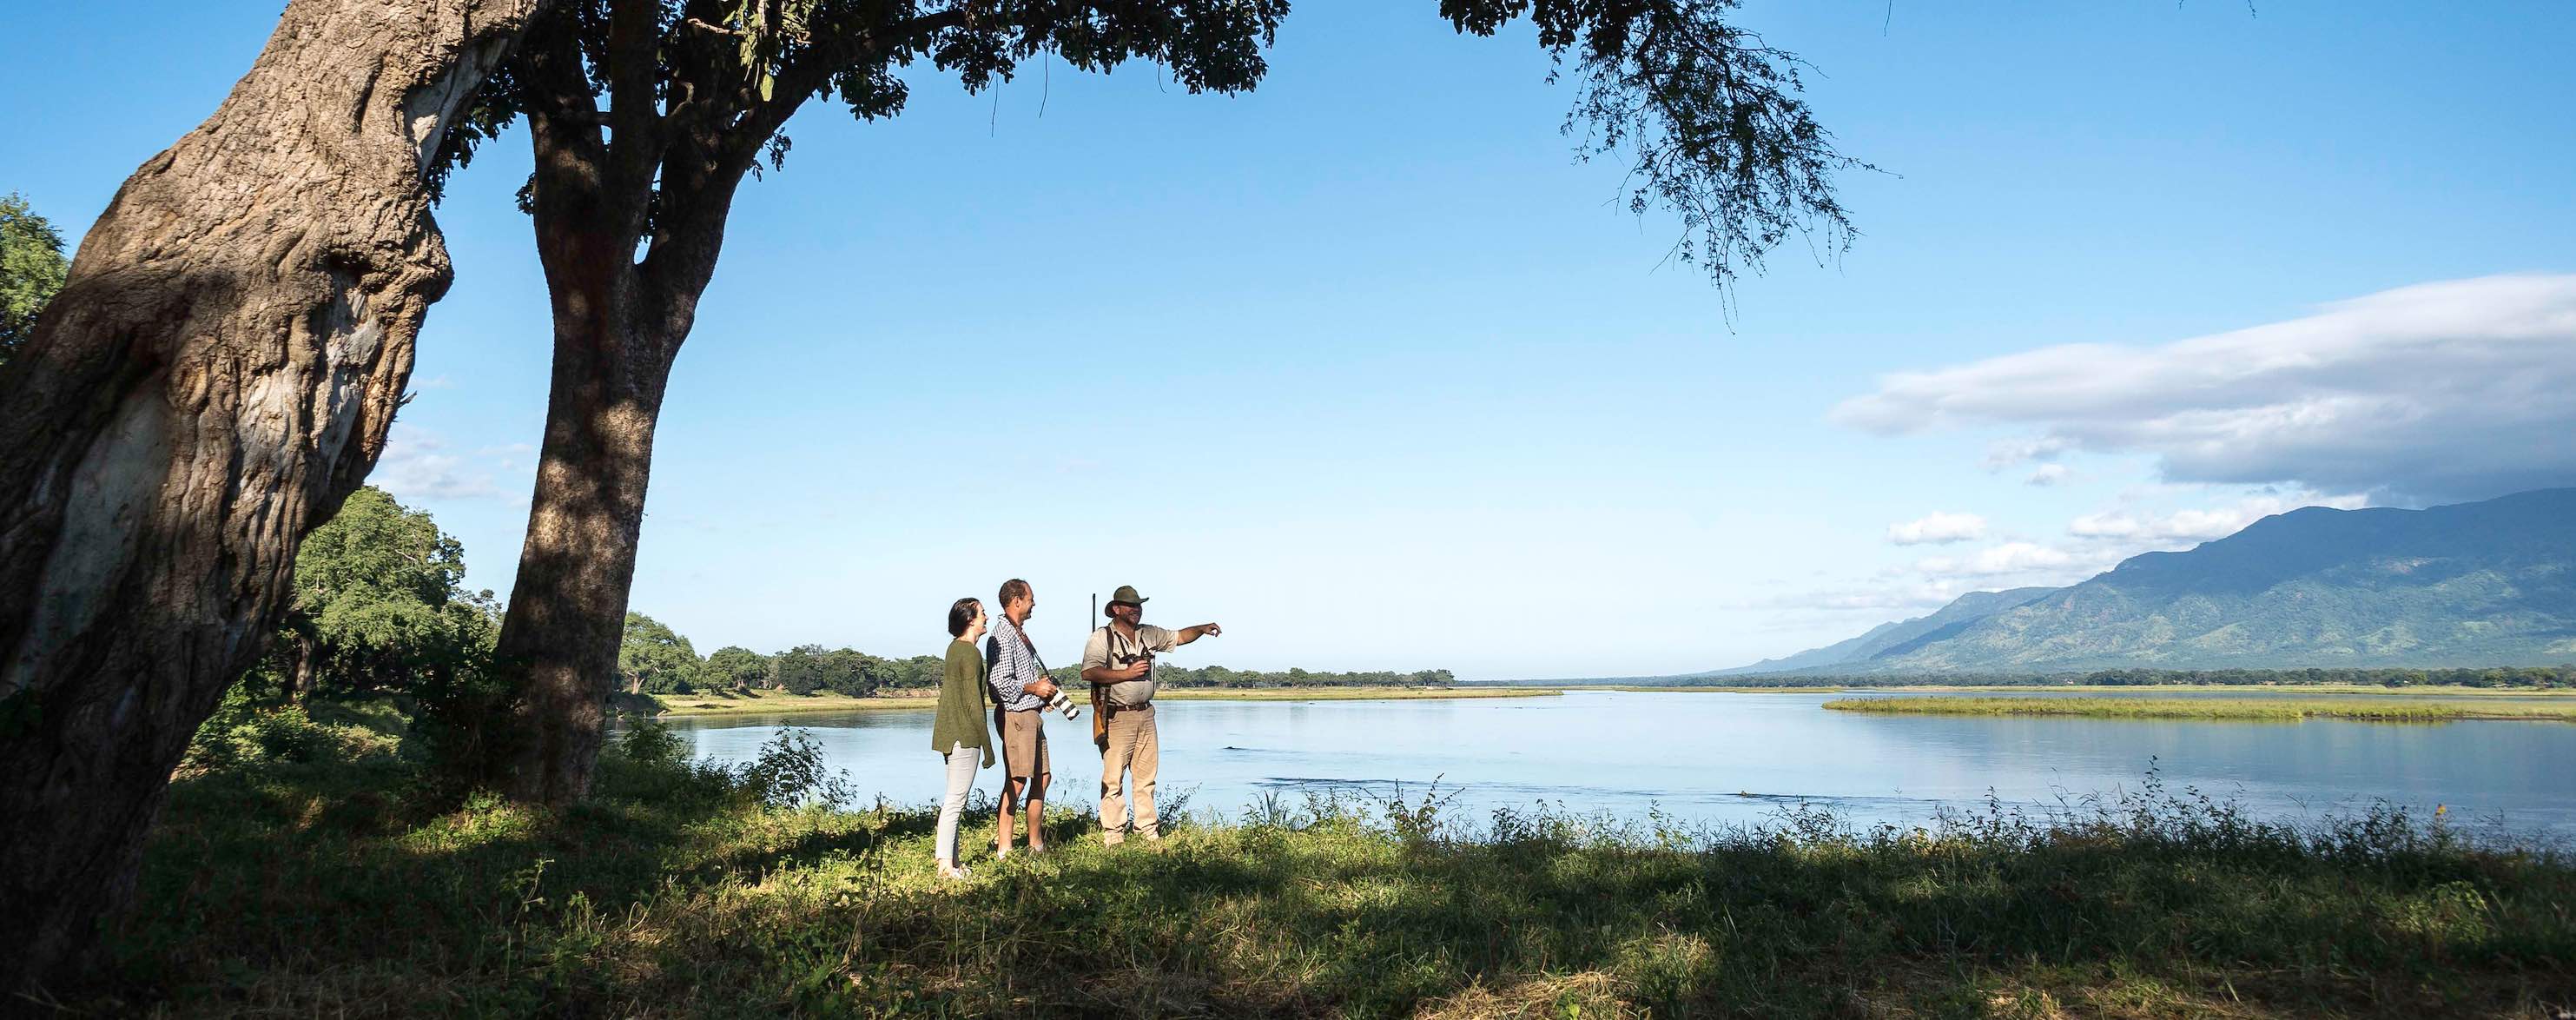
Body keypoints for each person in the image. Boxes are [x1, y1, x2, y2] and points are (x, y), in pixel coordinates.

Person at [1080, 585, 1220, 846]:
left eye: (1138, 605)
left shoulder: (1149, 633)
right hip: (1116, 716)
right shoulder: (1102, 638)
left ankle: (1147, 830)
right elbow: (1089, 672)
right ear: (1116, 609)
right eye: (1130, 605)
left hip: (1145, 714)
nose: (1136, 610)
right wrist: (1126, 674)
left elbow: (1179, 637)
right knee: (1113, 778)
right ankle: (1114, 834)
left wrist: (1202, 629)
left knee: (1146, 777)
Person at [984, 578, 1061, 858]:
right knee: (1017, 780)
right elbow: (999, 683)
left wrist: (1043, 694)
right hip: (1016, 715)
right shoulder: (1003, 635)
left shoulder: (1018, 632)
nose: (1033, 604)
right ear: (1016, 601)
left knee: (1043, 777)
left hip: (1031, 713)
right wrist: (1034, 689)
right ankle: (1004, 848)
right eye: (1030, 599)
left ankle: (1036, 845)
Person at [930, 596, 994, 880]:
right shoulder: (970, 653)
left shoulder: (953, 648)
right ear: (970, 620)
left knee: (954, 798)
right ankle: (945, 865)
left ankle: (953, 861)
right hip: (965, 735)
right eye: (982, 613)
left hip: (949, 733)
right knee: (955, 801)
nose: (986, 618)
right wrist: (989, 747)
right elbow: (973, 703)